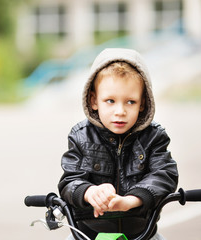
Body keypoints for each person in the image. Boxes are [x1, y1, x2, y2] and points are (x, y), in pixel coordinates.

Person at [58, 48, 179, 240]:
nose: (120, 111)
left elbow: (164, 174)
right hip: (87, 233)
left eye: (130, 101)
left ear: (143, 103)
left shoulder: (154, 136)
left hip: (142, 233)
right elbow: (69, 181)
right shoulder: (81, 136)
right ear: (94, 100)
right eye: (110, 101)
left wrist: (132, 200)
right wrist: (90, 192)